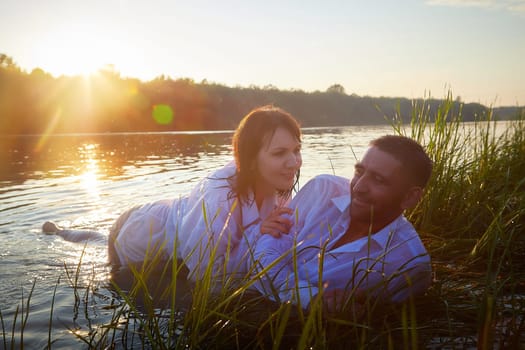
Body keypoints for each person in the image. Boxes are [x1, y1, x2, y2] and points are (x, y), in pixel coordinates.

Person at [44, 105, 303, 283]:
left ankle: (59, 230)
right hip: (137, 234)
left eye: (296, 150)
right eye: (280, 153)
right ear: (249, 159)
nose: (294, 162)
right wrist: (259, 235)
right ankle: (58, 232)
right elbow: (206, 275)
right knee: (101, 245)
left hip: (174, 233)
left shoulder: (276, 186)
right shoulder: (219, 194)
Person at [249, 135, 433, 312]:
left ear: (410, 197)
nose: (359, 187)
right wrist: (312, 298)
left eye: (378, 180)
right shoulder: (321, 190)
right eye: (359, 172)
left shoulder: (410, 265)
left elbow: (372, 320)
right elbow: (265, 252)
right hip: (243, 296)